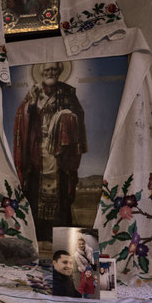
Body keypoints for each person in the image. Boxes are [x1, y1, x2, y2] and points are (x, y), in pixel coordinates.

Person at [13, 62, 88, 241]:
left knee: (60, 194)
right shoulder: (33, 93)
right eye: (47, 70)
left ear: (60, 71)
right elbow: (21, 117)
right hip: (37, 151)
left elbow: (78, 117)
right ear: (41, 73)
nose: (51, 73)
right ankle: (36, 239)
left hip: (59, 152)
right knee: (35, 192)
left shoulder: (68, 93)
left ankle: (61, 242)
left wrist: (67, 118)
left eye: (54, 69)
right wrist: (28, 108)